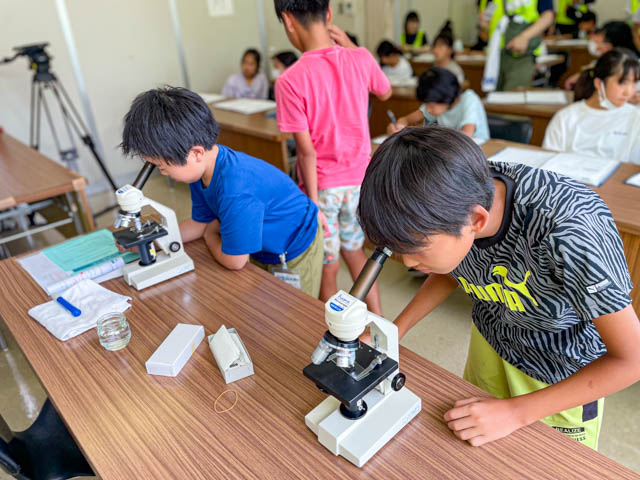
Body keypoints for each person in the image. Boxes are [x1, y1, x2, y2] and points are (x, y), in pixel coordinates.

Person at [358, 125, 640, 449]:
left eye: (416, 250)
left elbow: (631, 360)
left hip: (561, 372)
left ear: (476, 222)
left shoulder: (570, 232)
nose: (406, 264)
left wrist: (516, 413)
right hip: (492, 342)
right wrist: (395, 331)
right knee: (478, 448)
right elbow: (452, 266)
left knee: (545, 464)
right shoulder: (456, 200)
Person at [120, 87, 323, 297]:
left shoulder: (236, 190)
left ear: (195, 153)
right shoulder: (203, 168)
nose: (163, 173)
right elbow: (200, 222)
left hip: (295, 246)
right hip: (262, 242)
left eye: (162, 167)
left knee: (294, 312)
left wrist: (210, 235)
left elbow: (235, 261)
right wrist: (153, 242)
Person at [274, 0, 391, 315]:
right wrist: (355, 49)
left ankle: (333, 333)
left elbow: (306, 150)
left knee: (327, 263)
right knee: (356, 253)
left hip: (323, 187)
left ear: (287, 21)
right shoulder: (360, 58)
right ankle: (379, 323)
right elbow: (385, 91)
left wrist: (312, 202)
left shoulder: (290, 80)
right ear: (328, 15)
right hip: (358, 182)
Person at [544, 49, 640, 164]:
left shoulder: (635, 118)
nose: (628, 92)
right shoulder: (566, 117)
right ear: (599, 83)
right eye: (622, 83)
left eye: (634, 83)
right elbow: (548, 165)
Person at [387, 67, 489, 140]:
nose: (428, 109)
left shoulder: (470, 100)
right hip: (454, 153)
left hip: (479, 153)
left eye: (430, 105)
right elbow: (406, 119)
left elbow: (465, 137)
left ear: (445, 96)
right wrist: (399, 125)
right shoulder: (439, 104)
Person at [487, 0, 554, 91]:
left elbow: (548, 16)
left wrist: (524, 37)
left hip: (522, 55)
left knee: (511, 97)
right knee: (493, 96)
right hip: (496, 53)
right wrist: (484, 23)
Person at [565, 21, 640, 89]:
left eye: (600, 39)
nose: (596, 44)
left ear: (609, 46)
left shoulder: (623, 68)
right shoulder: (614, 60)